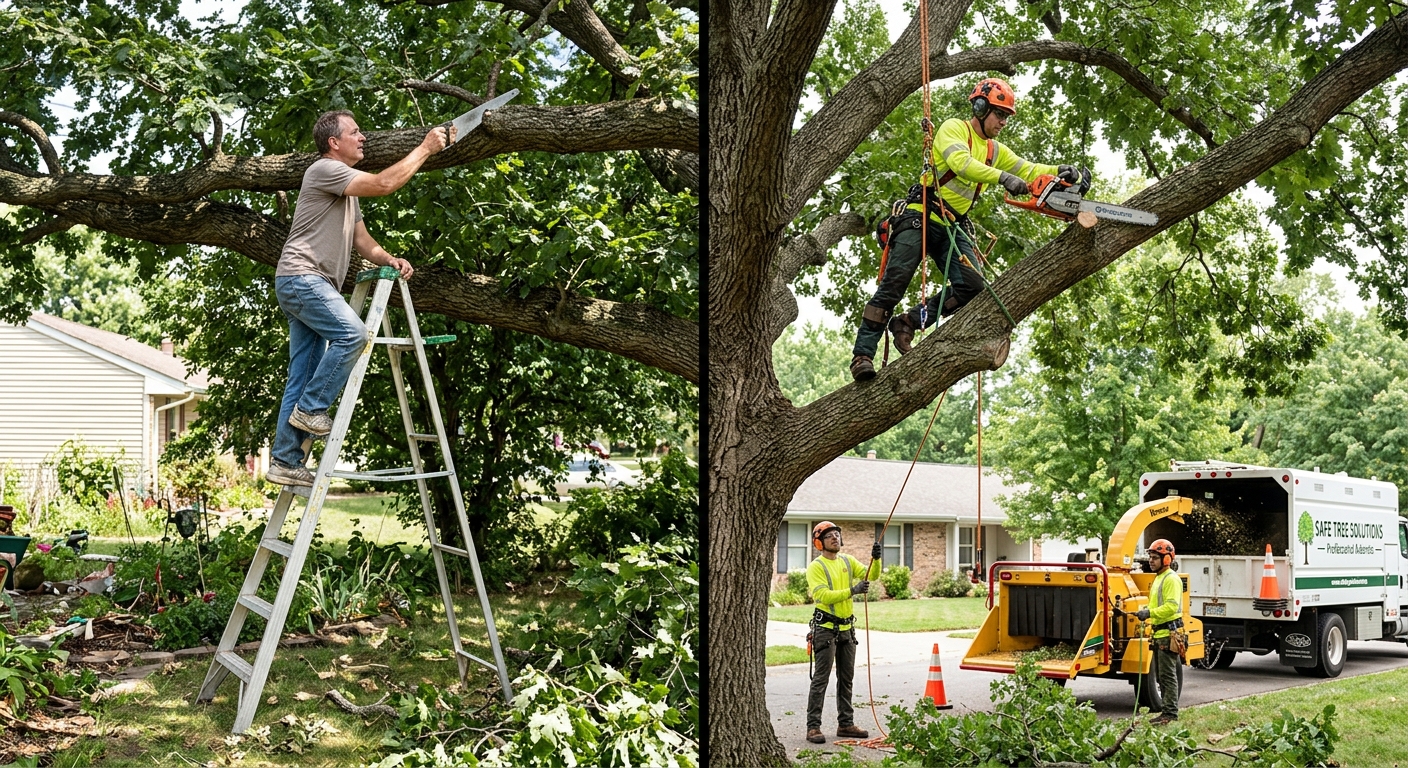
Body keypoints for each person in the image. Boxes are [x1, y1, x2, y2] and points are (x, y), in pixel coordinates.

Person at [266, 111, 455, 487]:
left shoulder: (345, 191)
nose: (363, 137)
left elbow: (362, 241)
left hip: (303, 283)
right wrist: (425, 149)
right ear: (333, 143)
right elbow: (385, 183)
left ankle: (285, 460)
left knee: (302, 374)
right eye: (355, 132)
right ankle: (312, 410)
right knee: (353, 335)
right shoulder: (324, 170)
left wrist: (389, 259)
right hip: (304, 278)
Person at [849, 77, 1083, 381]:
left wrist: (1061, 171)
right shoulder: (953, 129)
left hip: (952, 225)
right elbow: (960, 163)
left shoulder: (994, 150)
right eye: (1000, 114)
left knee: (972, 286)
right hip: (921, 214)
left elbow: (1026, 169)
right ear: (981, 107)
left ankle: (909, 321)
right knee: (895, 282)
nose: (1003, 122)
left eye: (1007, 117)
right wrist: (1002, 179)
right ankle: (862, 354)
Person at [805, 521, 884, 744]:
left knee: (846, 679)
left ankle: (846, 724)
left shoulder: (848, 561)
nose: (835, 538)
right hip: (825, 630)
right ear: (819, 542)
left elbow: (871, 575)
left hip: (847, 630)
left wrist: (876, 559)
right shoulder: (816, 567)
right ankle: (813, 727)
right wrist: (853, 590)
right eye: (829, 536)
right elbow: (822, 596)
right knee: (821, 679)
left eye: (837, 535)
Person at [1136, 538, 1183, 725]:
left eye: (1155, 557)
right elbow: (1157, 604)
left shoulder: (1171, 579)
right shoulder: (1158, 578)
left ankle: (1170, 714)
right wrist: (1145, 611)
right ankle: (1166, 711)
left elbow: (1171, 607)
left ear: (1166, 559)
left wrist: (1149, 613)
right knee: (1162, 676)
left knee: (1167, 676)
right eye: (1150, 557)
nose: (1151, 561)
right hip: (1160, 633)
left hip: (1169, 634)